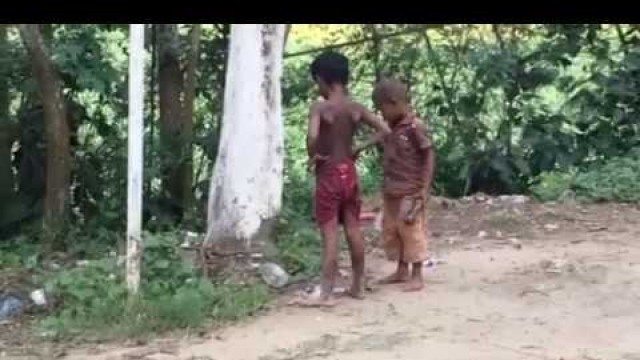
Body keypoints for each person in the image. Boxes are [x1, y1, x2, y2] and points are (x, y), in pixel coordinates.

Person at [303, 51, 391, 307]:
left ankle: (327, 293)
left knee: (330, 233)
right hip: (349, 173)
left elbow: (311, 137)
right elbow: (384, 130)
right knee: (353, 228)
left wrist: (314, 154)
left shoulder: (320, 107)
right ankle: (357, 285)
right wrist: (359, 147)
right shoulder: (356, 108)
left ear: (322, 79)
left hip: (328, 174)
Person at [355, 77, 435, 292]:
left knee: (411, 231)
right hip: (392, 190)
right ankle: (401, 269)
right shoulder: (391, 127)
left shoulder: (415, 127)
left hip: (411, 190)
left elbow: (428, 155)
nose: (381, 115)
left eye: (382, 109)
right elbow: (379, 134)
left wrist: (424, 188)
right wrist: (360, 147)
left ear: (393, 102)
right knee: (393, 231)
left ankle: (417, 274)